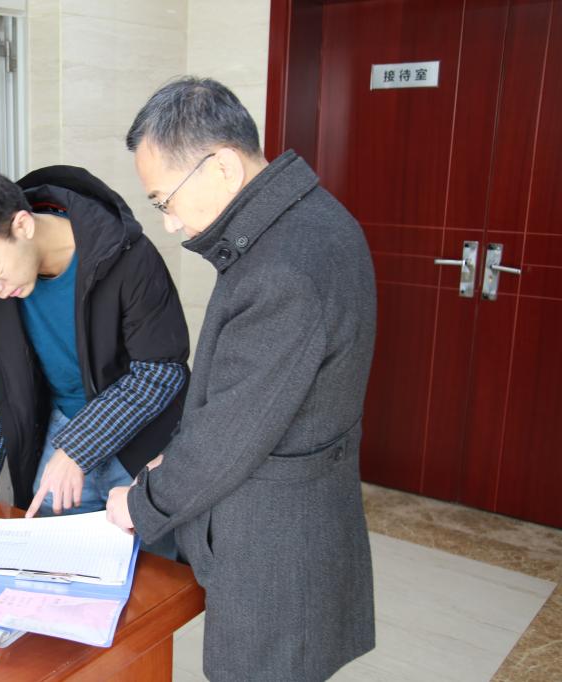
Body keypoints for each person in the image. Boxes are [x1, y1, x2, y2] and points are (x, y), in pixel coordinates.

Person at [106, 77, 376, 680]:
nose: (170, 223)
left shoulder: (283, 267)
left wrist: (142, 502)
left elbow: (232, 432)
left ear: (223, 167)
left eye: (164, 201)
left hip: (277, 541)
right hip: (302, 515)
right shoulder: (312, 221)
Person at [0, 166, 190, 525]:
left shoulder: (127, 255)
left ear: (23, 225)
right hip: (62, 428)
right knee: (50, 552)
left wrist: (78, 447)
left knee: (153, 556)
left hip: (142, 439)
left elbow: (161, 372)